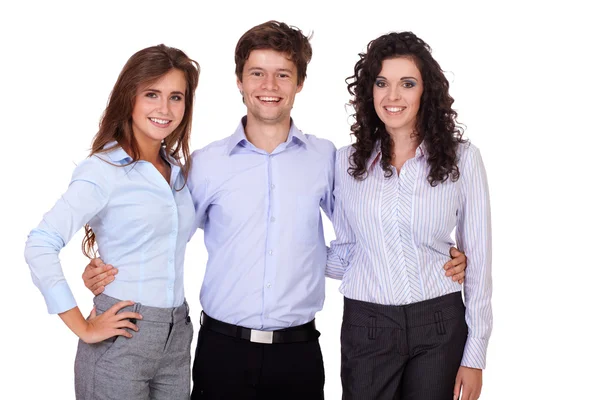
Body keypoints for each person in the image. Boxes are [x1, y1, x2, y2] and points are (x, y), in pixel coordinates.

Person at [80, 22, 468, 400]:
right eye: (257, 73)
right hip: (222, 351)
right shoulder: (206, 164)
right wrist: (110, 268)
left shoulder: (325, 159)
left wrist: (432, 257)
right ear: (239, 81)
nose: (269, 86)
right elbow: (164, 236)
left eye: (283, 74)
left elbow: (363, 235)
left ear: (299, 83)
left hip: (297, 354)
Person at [24, 44, 200, 400]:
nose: (164, 109)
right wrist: (83, 327)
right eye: (152, 94)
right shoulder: (102, 171)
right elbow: (40, 244)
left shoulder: (181, 175)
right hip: (121, 337)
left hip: (178, 337)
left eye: (176, 97)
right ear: (129, 97)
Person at [326, 31, 492, 400]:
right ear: (369, 92)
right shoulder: (344, 163)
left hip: (439, 324)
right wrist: (288, 254)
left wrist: (475, 354)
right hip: (366, 325)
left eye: (407, 83)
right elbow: (348, 255)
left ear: (425, 92)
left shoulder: (463, 159)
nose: (393, 96)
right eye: (382, 83)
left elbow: (478, 262)